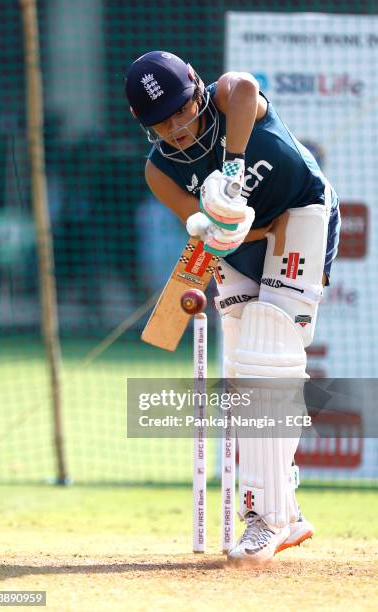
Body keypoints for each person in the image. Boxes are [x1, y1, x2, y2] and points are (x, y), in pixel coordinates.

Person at [125, 51, 341, 563]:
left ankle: (267, 518)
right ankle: (281, 501)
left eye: (181, 111)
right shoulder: (159, 171)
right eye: (162, 123)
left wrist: (234, 167)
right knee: (244, 367)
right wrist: (214, 223)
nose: (177, 129)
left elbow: (244, 85)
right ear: (144, 126)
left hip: (302, 210)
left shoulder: (228, 99)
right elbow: (202, 228)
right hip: (242, 247)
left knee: (271, 342)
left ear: (198, 90)